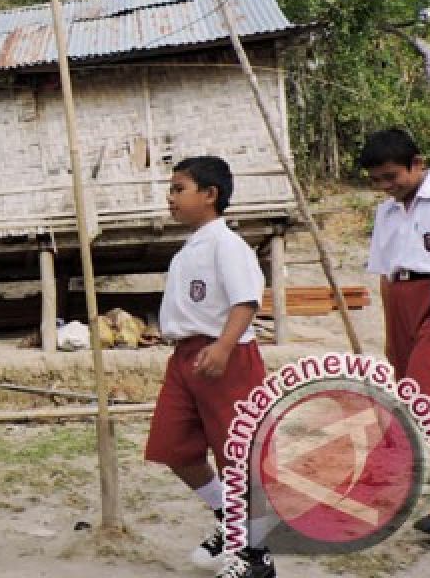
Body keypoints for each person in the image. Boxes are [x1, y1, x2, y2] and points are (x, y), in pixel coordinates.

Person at [144, 157, 275, 578]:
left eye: (179, 188)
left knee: (237, 455)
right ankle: (229, 518)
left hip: (227, 357)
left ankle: (257, 557)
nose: (170, 197)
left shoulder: (227, 244)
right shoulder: (189, 248)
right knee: (173, 447)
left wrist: (222, 346)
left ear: (210, 195)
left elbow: (246, 300)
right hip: (186, 359)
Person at [360, 128, 430, 536]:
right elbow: (385, 274)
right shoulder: (386, 211)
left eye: (391, 176)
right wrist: (389, 333)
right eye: (377, 180)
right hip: (401, 301)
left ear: (417, 163)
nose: (385, 186)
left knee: (424, 401)